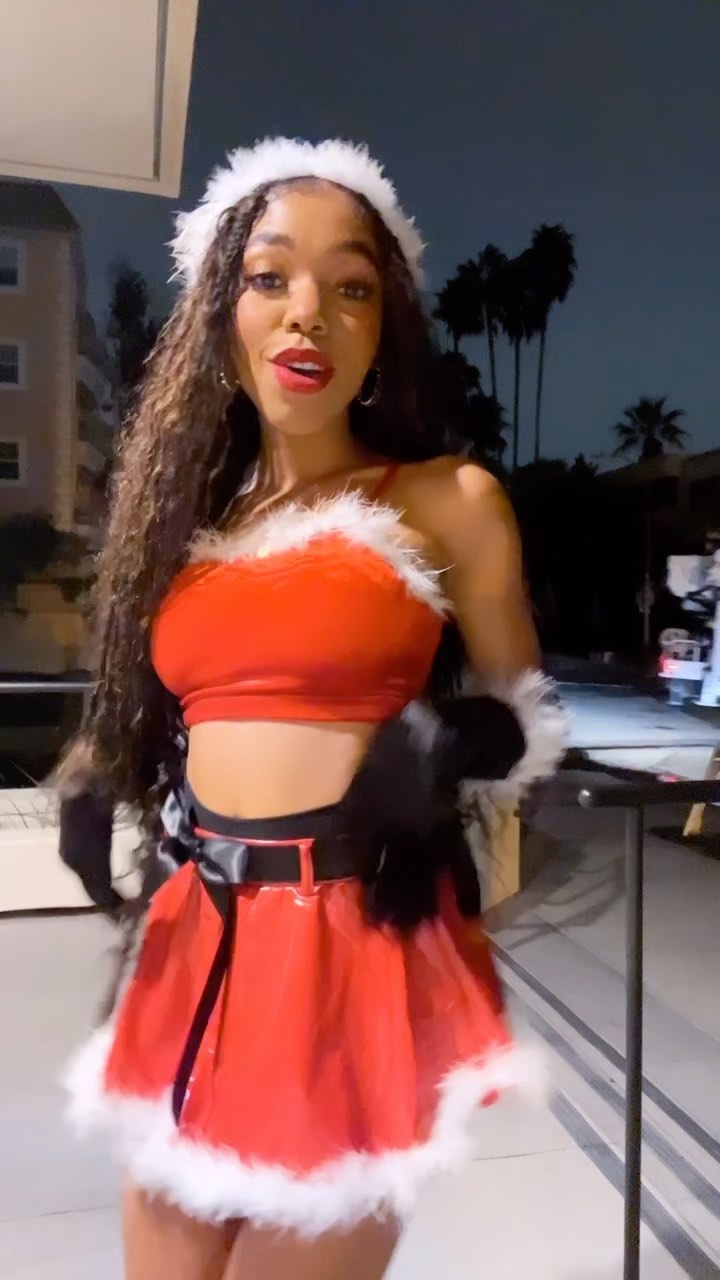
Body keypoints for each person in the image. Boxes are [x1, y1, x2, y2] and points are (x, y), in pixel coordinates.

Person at [60, 137, 567, 1280]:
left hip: (353, 946)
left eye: (352, 288)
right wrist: (94, 771)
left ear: (384, 327)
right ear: (221, 313)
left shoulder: (445, 499)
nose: (310, 314)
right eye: (270, 277)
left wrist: (443, 741)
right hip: (195, 936)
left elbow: (527, 717)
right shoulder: (187, 526)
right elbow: (153, 703)